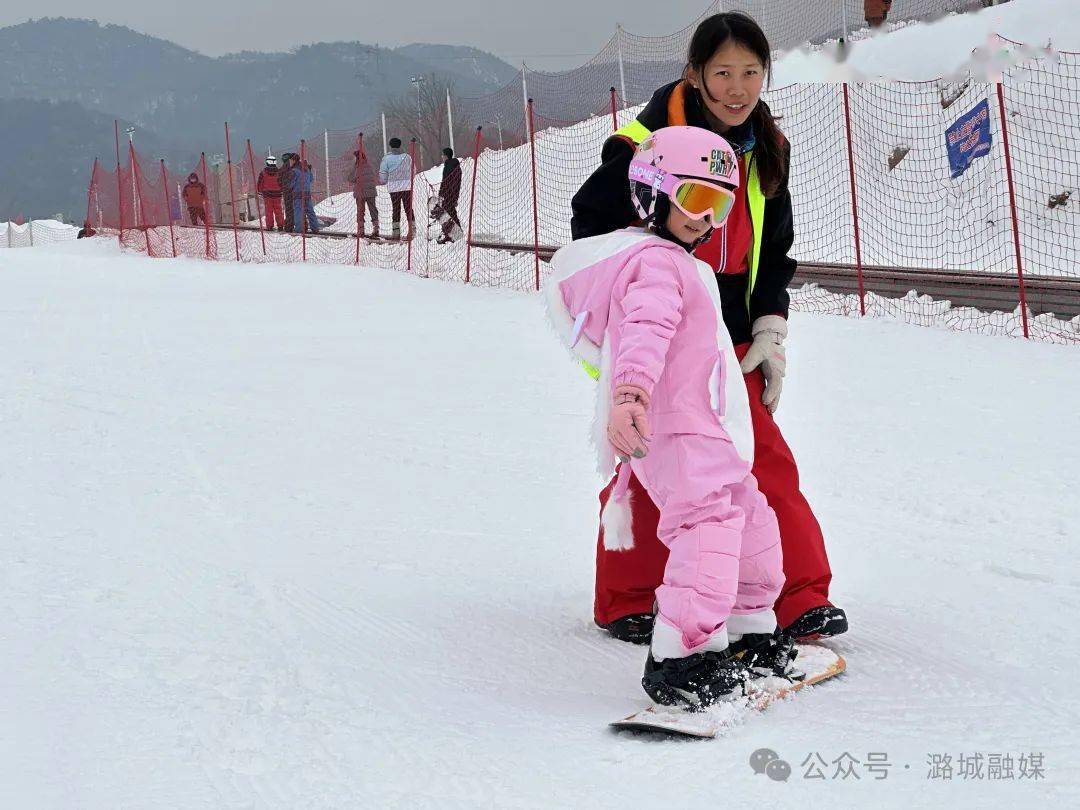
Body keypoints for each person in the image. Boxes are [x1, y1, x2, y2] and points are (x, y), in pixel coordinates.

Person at [571, 11, 847, 646]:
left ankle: (795, 596)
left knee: (759, 459)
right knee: (646, 460)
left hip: (734, 331)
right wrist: (644, 285)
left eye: (751, 72)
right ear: (693, 75)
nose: (737, 87)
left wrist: (771, 326)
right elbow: (590, 222)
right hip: (663, 327)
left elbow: (774, 250)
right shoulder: (643, 143)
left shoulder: (766, 146)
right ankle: (629, 598)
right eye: (722, 72)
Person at [547, 127, 801, 708]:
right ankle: (682, 654)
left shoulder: (686, 265)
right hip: (674, 429)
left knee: (750, 513)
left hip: (706, 424)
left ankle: (747, 627)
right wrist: (630, 395)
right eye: (695, 201)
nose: (706, 219)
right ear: (652, 193)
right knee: (706, 526)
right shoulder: (656, 267)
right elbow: (644, 332)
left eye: (721, 205)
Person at [379, 137, 414, 239]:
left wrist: (384, 181)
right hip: (407, 187)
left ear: (390, 146)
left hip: (394, 189)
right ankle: (412, 231)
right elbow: (414, 170)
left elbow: (383, 175)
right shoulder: (407, 157)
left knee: (396, 209)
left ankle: (396, 233)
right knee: (408, 209)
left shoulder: (386, 159)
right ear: (400, 145)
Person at [348, 145, 379, 237]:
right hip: (371, 192)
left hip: (360, 192)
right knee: (373, 210)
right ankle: (376, 228)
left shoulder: (357, 167)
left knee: (361, 211)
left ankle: (361, 230)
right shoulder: (369, 165)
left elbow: (350, 178)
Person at [435, 147, 462, 243]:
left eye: (443, 155)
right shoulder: (452, 165)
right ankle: (450, 233)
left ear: (446, 156)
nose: (442, 156)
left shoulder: (449, 166)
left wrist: (443, 194)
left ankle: (455, 234)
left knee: (448, 214)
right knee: (450, 213)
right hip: (451, 194)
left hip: (449, 194)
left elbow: (447, 182)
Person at [289, 157, 320, 234]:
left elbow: (291, 184)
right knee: (310, 212)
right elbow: (311, 180)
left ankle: (299, 229)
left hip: (297, 195)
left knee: (298, 212)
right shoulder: (308, 171)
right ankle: (315, 228)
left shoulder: (294, 171)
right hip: (307, 194)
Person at [256, 155, 285, 231]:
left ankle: (269, 226)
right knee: (278, 211)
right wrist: (282, 190)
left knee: (269, 211)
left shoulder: (263, 173)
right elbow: (282, 183)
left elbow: (260, 183)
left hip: (267, 195)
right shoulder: (279, 172)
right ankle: (281, 225)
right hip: (277, 195)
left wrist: (260, 191)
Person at [280, 153, 296, 233]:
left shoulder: (281, 169)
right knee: (297, 209)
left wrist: (283, 188)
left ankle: (289, 227)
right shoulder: (293, 168)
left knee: (288, 210)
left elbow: (279, 181)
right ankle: (298, 225)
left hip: (286, 193)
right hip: (295, 191)